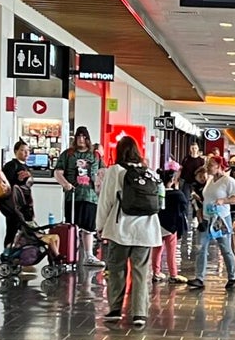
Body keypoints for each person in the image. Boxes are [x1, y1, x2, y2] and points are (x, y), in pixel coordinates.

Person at [96, 134, 163, 327]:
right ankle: (139, 314)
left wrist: (100, 226)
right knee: (140, 271)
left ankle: (116, 309)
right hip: (146, 229)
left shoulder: (115, 171)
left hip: (121, 228)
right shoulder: (149, 172)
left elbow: (106, 201)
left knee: (116, 269)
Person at [188, 154, 235, 292]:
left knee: (225, 249)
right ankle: (199, 278)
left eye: (210, 165)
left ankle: (232, 277)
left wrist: (223, 201)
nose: (208, 167)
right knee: (201, 248)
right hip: (206, 218)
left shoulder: (228, 181)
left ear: (219, 166)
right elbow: (208, 196)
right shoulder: (210, 179)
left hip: (220, 219)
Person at [62, 127, 102, 262]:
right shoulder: (68, 154)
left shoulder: (95, 155)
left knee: (89, 227)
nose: (81, 139)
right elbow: (58, 172)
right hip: (73, 196)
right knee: (72, 227)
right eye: (78, 136)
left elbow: (102, 172)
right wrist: (65, 184)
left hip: (90, 196)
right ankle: (70, 253)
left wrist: (100, 188)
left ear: (88, 138)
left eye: (83, 136)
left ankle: (89, 255)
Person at [153, 164, 186, 281]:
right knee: (171, 251)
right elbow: (183, 208)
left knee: (157, 249)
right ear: (172, 180)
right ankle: (173, 274)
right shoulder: (178, 195)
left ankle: (156, 272)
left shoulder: (156, 193)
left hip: (158, 225)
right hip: (171, 226)